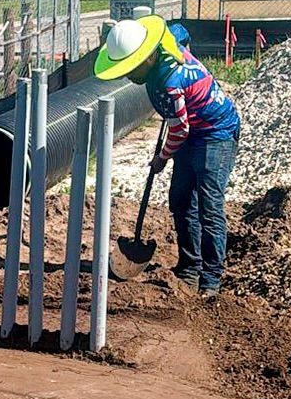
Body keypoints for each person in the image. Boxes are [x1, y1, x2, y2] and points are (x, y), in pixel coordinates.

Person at [94, 15, 240, 297]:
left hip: (216, 133)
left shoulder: (169, 83)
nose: (128, 75)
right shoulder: (166, 44)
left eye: (132, 68)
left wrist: (161, 158)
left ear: (148, 58)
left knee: (209, 207)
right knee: (181, 201)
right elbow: (179, 31)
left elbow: (180, 130)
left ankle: (210, 280)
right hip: (192, 131)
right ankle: (189, 268)